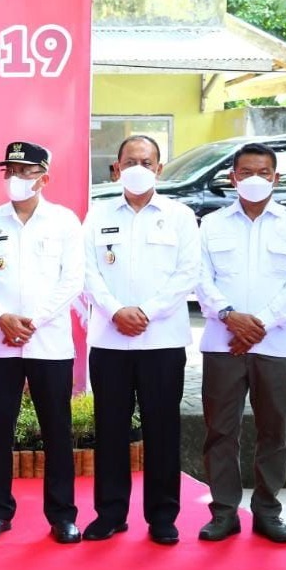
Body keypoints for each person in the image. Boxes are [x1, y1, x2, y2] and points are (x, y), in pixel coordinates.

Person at [82, 134, 199, 545]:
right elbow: (87, 272)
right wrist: (116, 310)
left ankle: (163, 516)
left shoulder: (180, 215)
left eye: (146, 162)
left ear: (159, 168)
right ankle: (110, 513)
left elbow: (188, 273)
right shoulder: (96, 215)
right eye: (130, 161)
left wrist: (146, 312)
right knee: (110, 429)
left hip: (162, 340)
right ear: (115, 168)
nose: (138, 167)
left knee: (162, 429)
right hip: (110, 340)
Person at [196, 142, 286, 543]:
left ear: (276, 178)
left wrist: (259, 324)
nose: (254, 179)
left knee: (274, 431)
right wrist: (230, 316)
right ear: (233, 178)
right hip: (222, 342)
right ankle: (224, 512)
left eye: (263, 172)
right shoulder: (211, 224)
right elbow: (200, 278)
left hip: (275, 343)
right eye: (246, 172)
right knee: (220, 431)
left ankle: (267, 510)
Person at [0, 142, 83, 544]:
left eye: (25, 170)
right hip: (0, 342)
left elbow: (72, 280)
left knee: (56, 429)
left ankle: (62, 515)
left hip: (48, 342)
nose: (15, 177)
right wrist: (1, 317)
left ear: (44, 177)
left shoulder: (65, 221)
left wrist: (34, 321)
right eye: (10, 170)